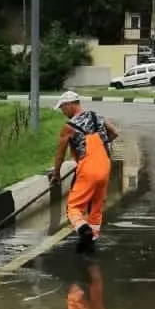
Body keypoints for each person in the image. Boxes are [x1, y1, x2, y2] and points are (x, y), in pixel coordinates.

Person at [50, 90, 118, 253]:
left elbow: (60, 154)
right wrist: (101, 144)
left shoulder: (69, 127)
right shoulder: (97, 117)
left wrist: (56, 174)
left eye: (62, 108)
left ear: (70, 105)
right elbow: (114, 133)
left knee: (73, 208)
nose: (63, 112)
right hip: (105, 166)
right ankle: (90, 242)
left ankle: (83, 230)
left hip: (87, 168)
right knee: (96, 206)